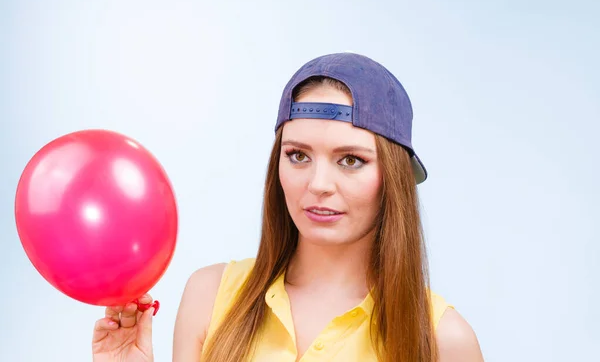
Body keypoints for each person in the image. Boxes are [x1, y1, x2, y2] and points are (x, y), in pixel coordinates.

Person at [91, 52, 484, 361]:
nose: (318, 184)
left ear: (393, 178)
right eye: (298, 155)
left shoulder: (442, 340)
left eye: (351, 160)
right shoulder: (209, 296)